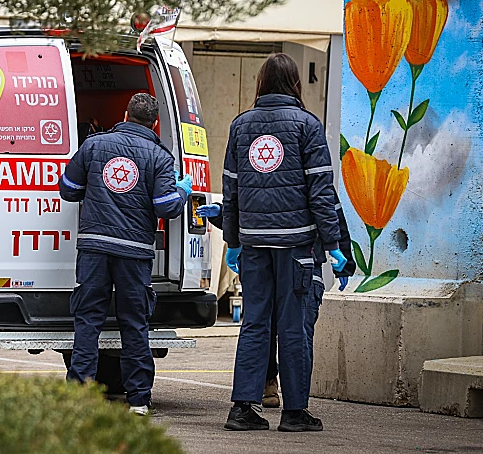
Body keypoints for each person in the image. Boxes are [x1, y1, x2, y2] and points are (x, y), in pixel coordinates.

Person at [220, 53, 347, 432]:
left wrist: (232, 241)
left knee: (255, 324)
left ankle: (242, 407)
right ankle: (294, 412)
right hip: (296, 246)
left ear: (260, 82)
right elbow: (320, 191)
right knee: (293, 327)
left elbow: (231, 188)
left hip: (255, 244)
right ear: (295, 83)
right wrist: (334, 245)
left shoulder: (241, 126)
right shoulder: (308, 125)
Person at [59, 93, 193, 416]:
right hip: (134, 253)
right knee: (134, 324)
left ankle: (80, 396)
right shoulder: (160, 157)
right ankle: (138, 400)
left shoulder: (94, 145)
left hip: (94, 248)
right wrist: (183, 192)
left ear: (124, 114)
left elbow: (67, 188)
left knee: (88, 321)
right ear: (155, 123)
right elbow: (164, 207)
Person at [197, 195, 356, 408]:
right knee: (276, 329)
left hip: (295, 262)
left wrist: (341, 254)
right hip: (284, 262)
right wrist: (221, 213)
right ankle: (278, 394)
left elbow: (329, 209)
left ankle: (281, 401)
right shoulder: (301, 167)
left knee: (284, 329)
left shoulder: (303, 167)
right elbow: (240, 203)